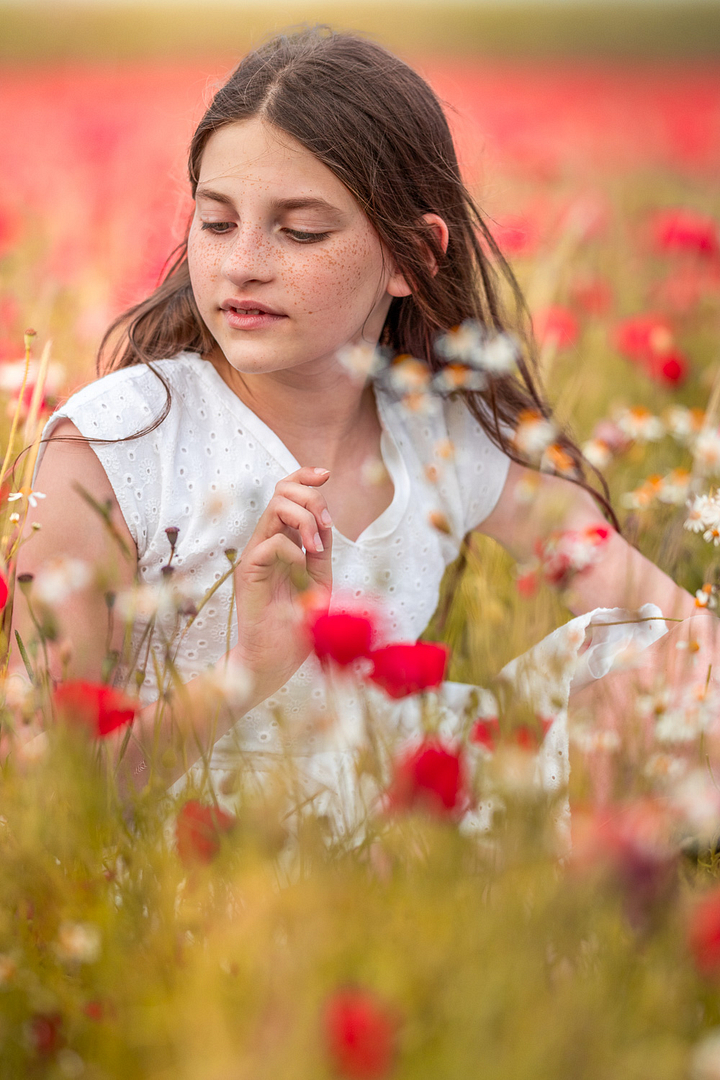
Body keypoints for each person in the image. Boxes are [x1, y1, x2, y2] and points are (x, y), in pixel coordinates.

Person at [12, 27, 715, 807]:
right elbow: (39, 785)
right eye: (216, 222)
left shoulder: (441, 437)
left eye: (300, 230)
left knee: (668, 675)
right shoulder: (117, 444)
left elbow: (672, 627)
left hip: (398, 827)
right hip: (206, 867)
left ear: (411, 258)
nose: (242, 261)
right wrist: (245, 676)